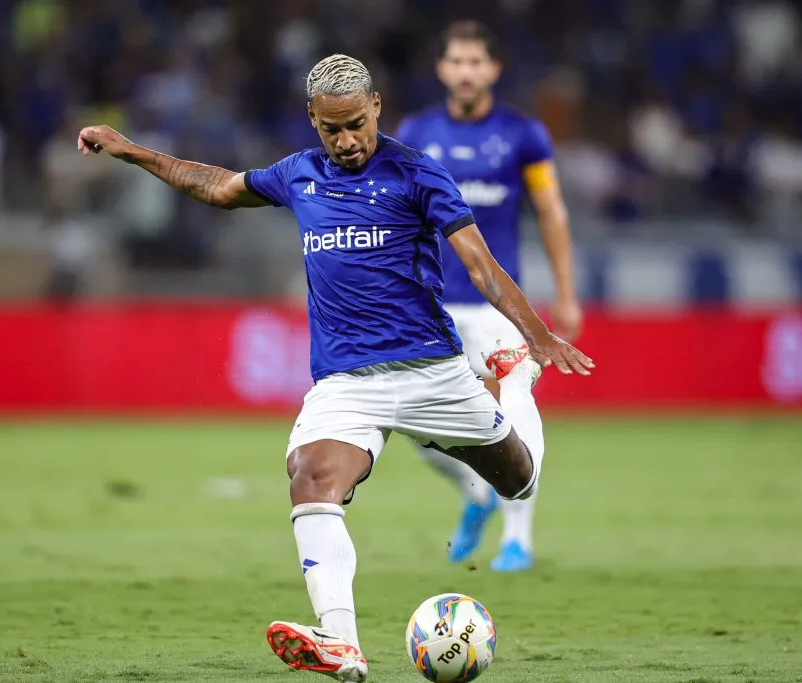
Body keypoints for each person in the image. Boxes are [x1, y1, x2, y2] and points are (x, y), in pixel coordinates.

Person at [77, 53, 593, 683]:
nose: (346, 141)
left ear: (376, 106)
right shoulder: (299, 175)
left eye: (356, 124)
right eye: (331, 129)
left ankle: (514, 380)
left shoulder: (417, 175)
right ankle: (342, 645)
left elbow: (480, 266)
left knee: (519, 482)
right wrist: (131, 150)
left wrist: (536, 339)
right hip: (348, 382)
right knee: (310, 476)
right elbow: (218, 186)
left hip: (435, 373)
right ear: (312, 122)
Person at [395, 20, 582, 573]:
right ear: (442, 70)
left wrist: (566, 293)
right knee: (412, 418)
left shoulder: (525, 135)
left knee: (514, 392)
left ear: (493, 69)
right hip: (435, 304)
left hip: (498, 304)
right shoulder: (416, 131)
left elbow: (550, 212)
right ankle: (477, 492)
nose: (467, 71)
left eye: (477, 62)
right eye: (457, 61)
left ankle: (517, 538)